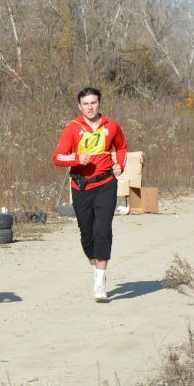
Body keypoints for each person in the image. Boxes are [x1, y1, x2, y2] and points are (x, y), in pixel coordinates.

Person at [53, 87, 127, 301]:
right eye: (85, 104)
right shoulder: (72, 129)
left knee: (103, 230)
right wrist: (77, 158)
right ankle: (96, 268)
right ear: (79, 106)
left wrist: (119, 166)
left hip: (105, 184)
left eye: (93, 103)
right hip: (81, 188)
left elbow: (121, 147)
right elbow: (58, 157)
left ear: (99, 103)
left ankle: (100, 280)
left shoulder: (111, 126)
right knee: (87, 235)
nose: (90, 107)